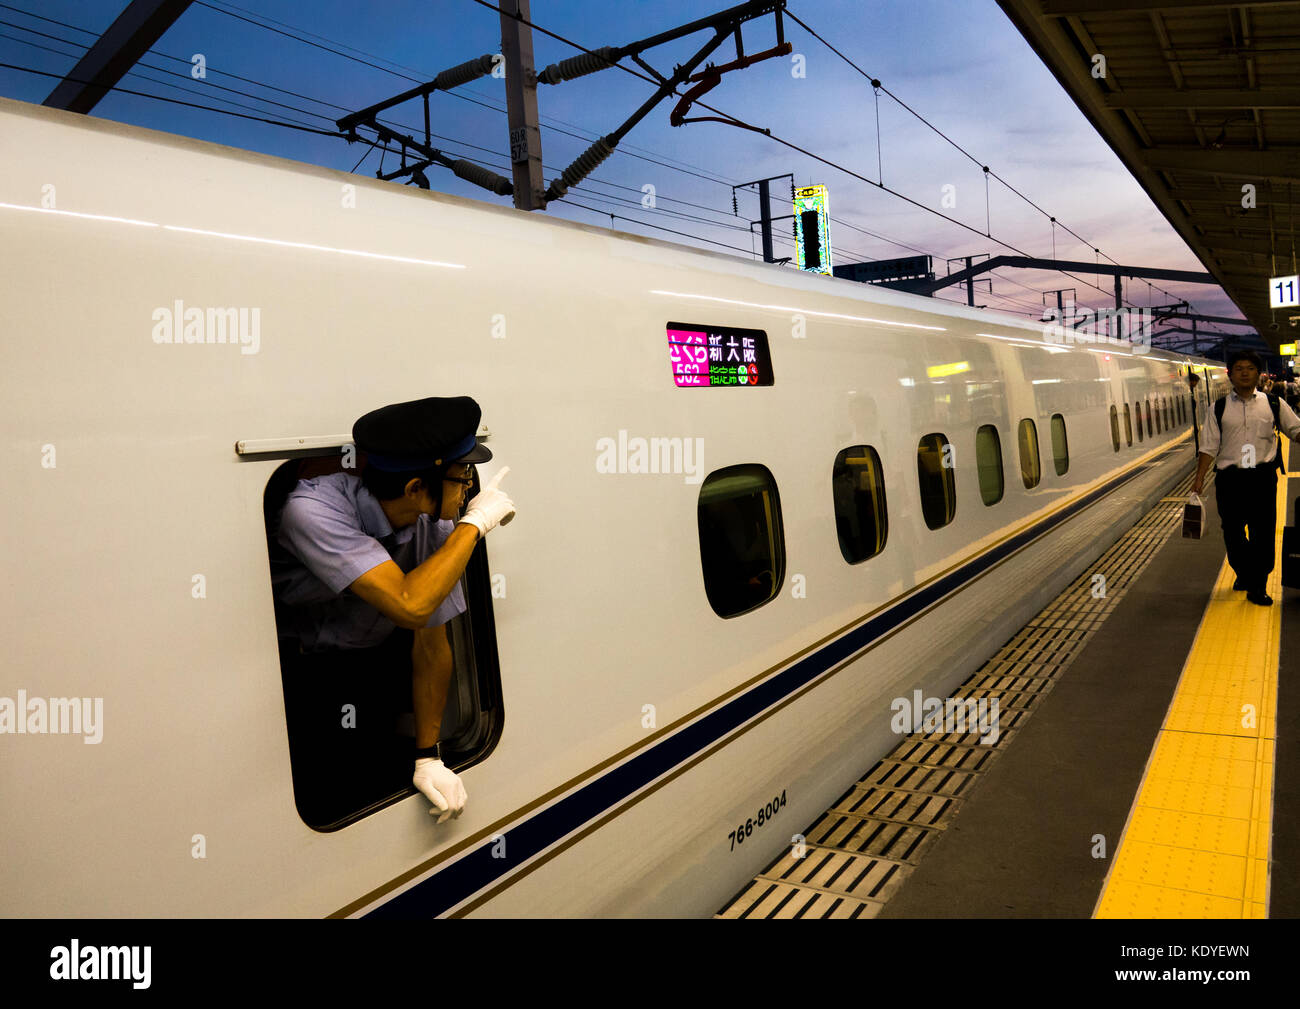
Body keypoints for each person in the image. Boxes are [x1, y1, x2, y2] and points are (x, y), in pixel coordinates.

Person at [273, 396, 515, 821]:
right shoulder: (311, 512)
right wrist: (473, 527)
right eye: (462, 478)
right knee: (329, 797)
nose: (469, 491)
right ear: (416, 489)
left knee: (380, 772)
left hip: (373, 664)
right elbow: (411, 605)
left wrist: (428, 756)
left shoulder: (433, 524)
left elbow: (431, 640)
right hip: (299, 672)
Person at [1191, 350, 1300, 606]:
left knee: (1263, 533)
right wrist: (1198, 479)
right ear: (1230, 374)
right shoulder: (1218, 408)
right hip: (1230, 480)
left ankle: (1257, 585)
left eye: (1249, 368)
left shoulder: (1273, 403)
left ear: (1257, 373)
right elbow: (1208, 446)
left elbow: (1295, 429)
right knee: (1232, 532)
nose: (1244, 372)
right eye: (1238, 368)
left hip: (1262, 478)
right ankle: (1244, 572)